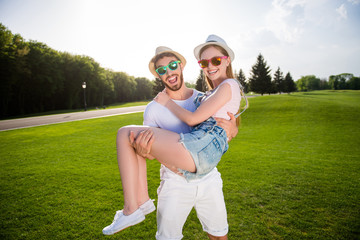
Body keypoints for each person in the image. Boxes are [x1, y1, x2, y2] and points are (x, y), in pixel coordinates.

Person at [102, 35, 246, 237]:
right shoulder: (153, 109)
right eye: (162, 70)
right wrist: (144, 150)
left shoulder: (201, 97)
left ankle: (133, 208)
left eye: (172, 65)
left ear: (181, 67)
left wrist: (233, 129)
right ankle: (140, 204)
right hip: (175, 183)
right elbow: (148, 152)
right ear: (158, 76)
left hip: (208, 177)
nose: (169, 72)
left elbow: (212, 126)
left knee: (219, 234)